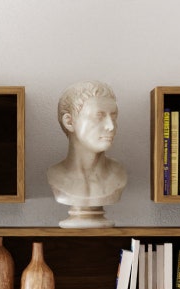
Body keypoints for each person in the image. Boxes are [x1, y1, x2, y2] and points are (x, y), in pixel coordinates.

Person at [47, 81, 127, 220]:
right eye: (99, 116)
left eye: (114, 117)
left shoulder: (119, 174)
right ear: (69, 122)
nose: (111, 126)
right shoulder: (54, 176)